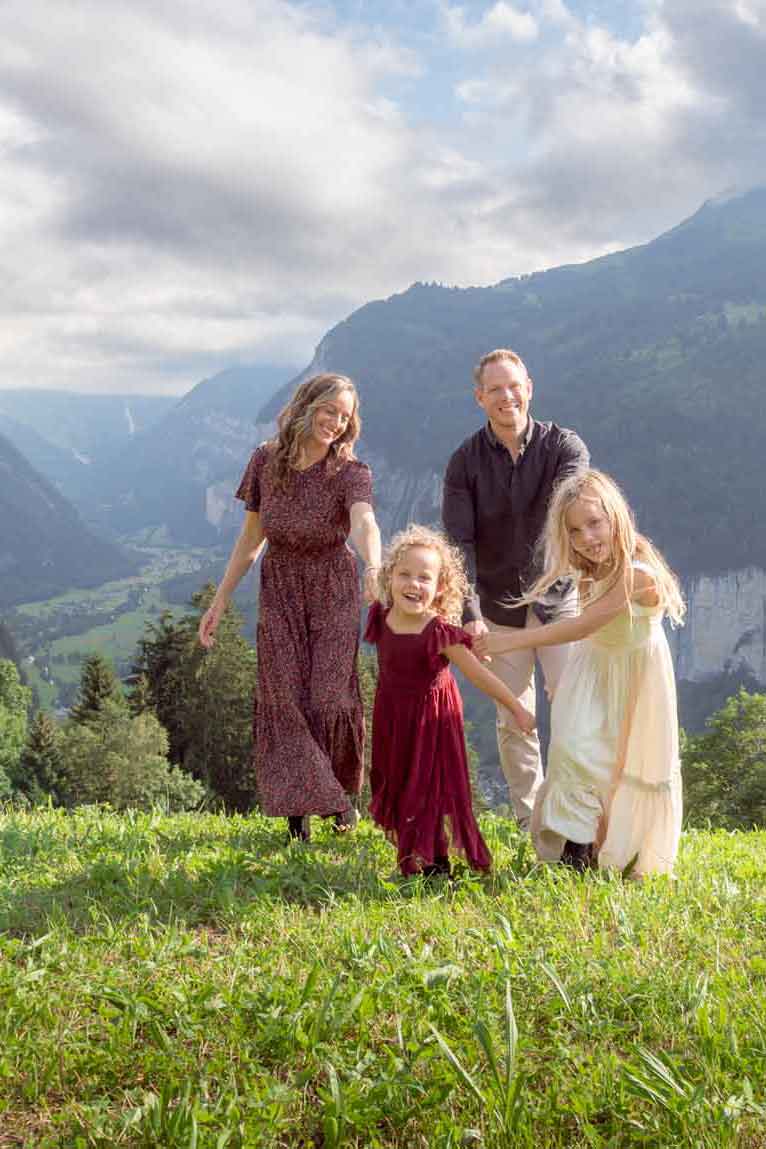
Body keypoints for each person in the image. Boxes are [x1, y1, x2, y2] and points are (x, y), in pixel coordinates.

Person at [198, 373, 382, 841]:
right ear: (306, 405)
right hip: (280, 588)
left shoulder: (350, 472)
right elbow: (250, 540)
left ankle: (339, 799)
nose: (337, 423)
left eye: (345, 416)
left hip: (334, 588)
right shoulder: (265, 461)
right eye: (330, 411)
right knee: (284, 698)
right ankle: (298, 817)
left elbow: (364, 522)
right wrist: (219, 601)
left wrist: (375, 565)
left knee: (328, 697)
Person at [475, 470, 685, 877]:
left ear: (616, 517)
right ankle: (577, 850)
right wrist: (570, 681)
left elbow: (581, 626)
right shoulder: (592, 572)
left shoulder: (636, 572)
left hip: (634, 679)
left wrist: (506, 641)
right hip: (592, 670)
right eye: (575, 530)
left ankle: (614, 851)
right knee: (574, 752)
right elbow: (589, 635)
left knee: (617, 763)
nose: (587, 536)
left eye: (594, 523)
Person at [442, 348, 589, 829]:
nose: (507, 396)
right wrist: (470, 613)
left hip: (558, 597)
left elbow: (568, 509)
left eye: (514, 385)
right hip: (497, 605)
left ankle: (577, 817)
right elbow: (457, 542)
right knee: (514, 718)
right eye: (495, 389)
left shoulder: (566, 448)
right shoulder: (464, 462)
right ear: (479, 398)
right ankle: (532, 822)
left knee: (573, 704)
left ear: (529, 387)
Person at [364, 524, 535, 878]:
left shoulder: (439, 632)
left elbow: (478, 675)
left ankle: (434, 862)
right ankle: (415, 856)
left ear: (440, 587)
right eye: (405, 575)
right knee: (398, 781)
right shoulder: (381, 615)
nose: (413, 584)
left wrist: (516, 707)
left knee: (425, 788)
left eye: (425, 578)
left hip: (432, 721)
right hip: (393, 717)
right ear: (389, 577)